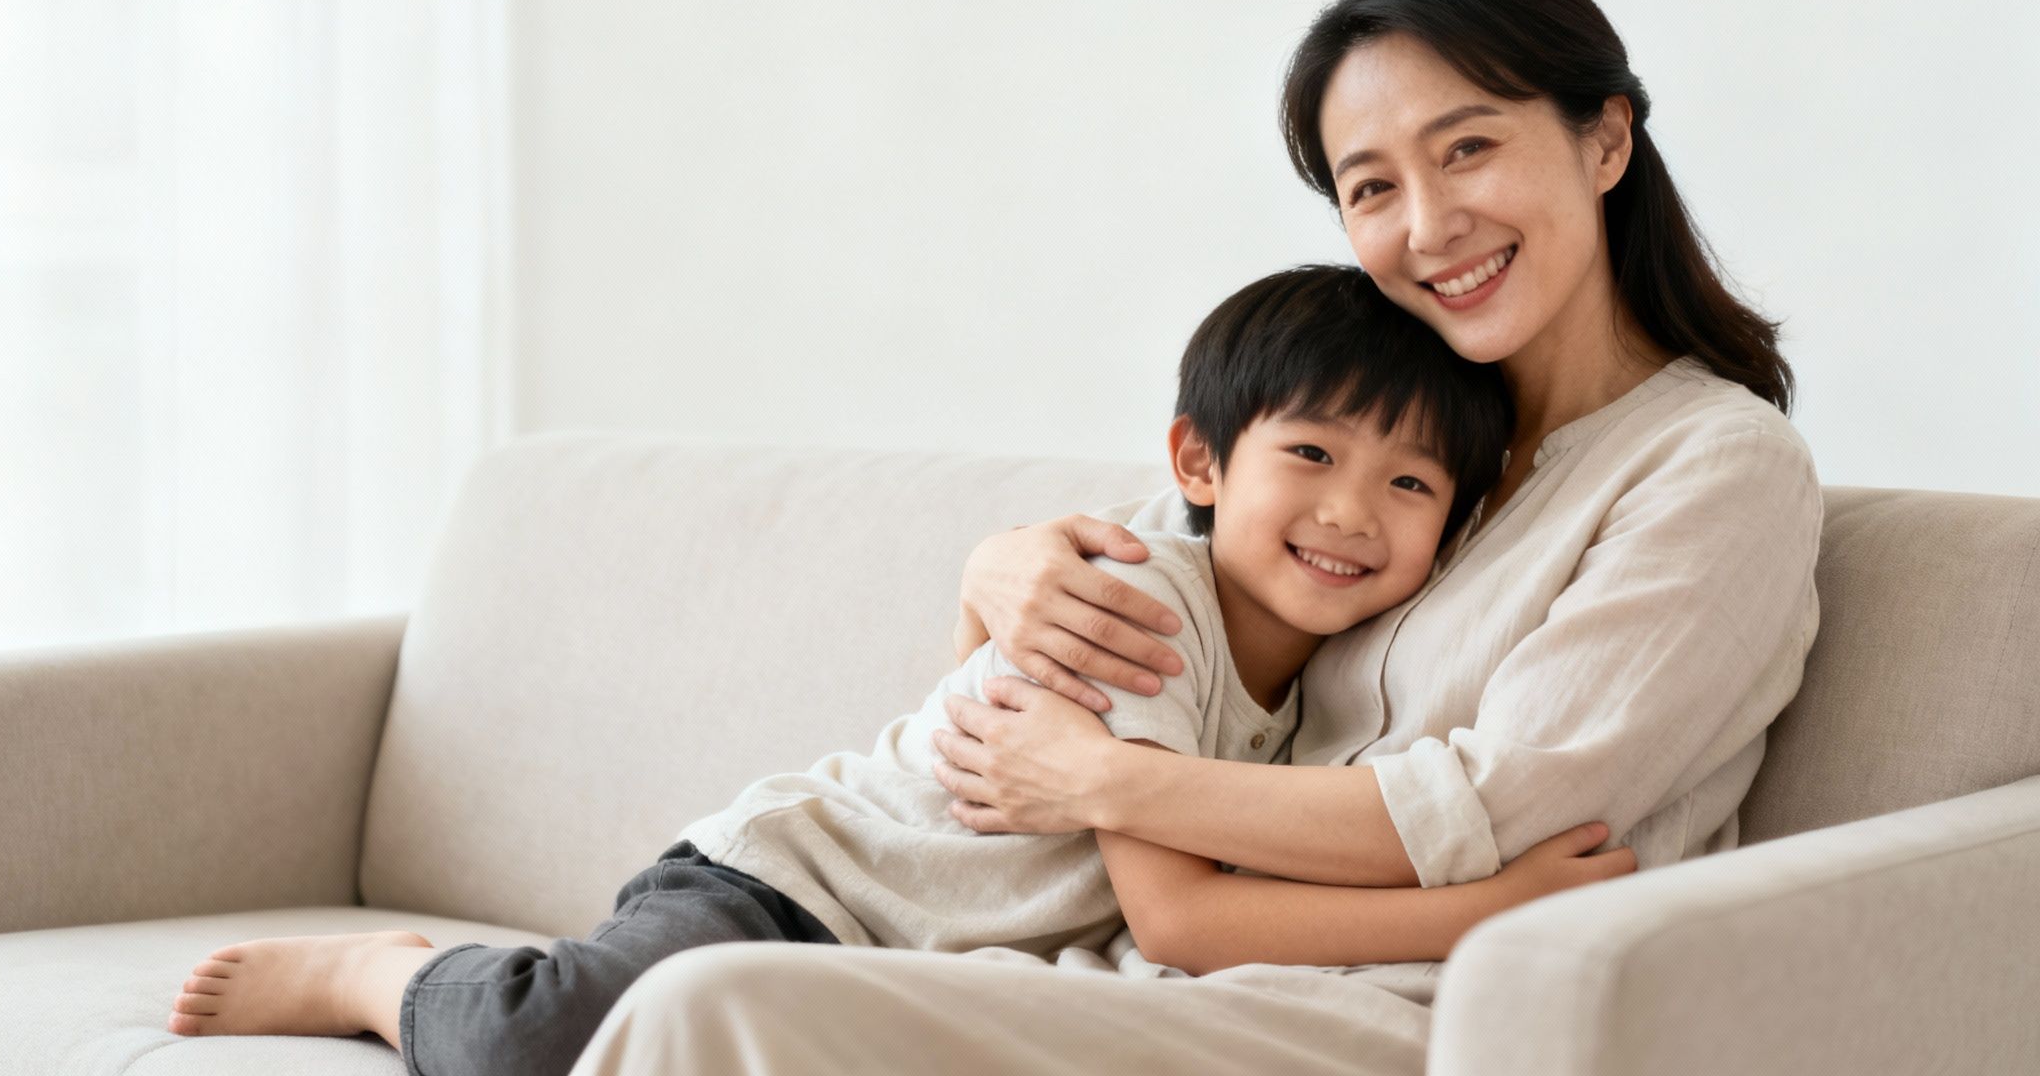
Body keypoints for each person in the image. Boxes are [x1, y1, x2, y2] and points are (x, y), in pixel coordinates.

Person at [561, 0, 1822, 1076]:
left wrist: (1103, 782)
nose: (1430, 225)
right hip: (1172, 970)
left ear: (1603, 140)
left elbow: (1504, 809)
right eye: (1370, 187)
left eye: (1467, 148)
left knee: (714, 1006)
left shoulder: (1715, 464)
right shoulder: (1417, 445)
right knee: (694, 999)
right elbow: (1138, 595)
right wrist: (998, 570)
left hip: (1406, 1007)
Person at [163, 265, 1631, 1076]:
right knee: (541, 1040)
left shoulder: (1338, 677)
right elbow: (1180, 919)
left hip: (896, 967)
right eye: (1310, 454)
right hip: (798, 887)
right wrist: (1490, 911)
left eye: (1409, 484)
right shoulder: (1137, 608)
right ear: (1198, 460)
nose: (1352, 513)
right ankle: (385, 978)